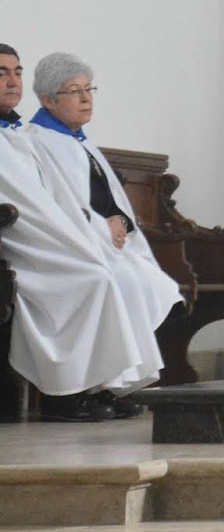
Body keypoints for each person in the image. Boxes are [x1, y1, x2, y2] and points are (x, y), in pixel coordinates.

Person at [0, 45, 166, 420]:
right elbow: (26, 205)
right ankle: (64, 396)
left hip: (49, 237)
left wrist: (88, 229)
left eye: (17, 72)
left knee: (106, 273)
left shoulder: (20, 134)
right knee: (93, 278)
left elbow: (55, 197)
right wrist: (83, 232)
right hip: (19, 244)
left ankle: (99, 387)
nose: (12, 81)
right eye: (2, 73)